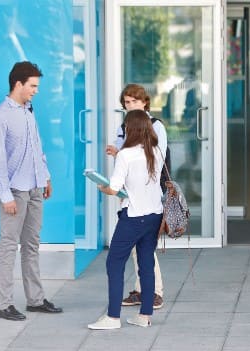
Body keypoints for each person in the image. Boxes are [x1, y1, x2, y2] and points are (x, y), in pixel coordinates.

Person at [0, 61, 63, 321]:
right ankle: (3, 304)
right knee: (9, 246)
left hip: (34, 187)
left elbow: (36, 148)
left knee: (31, 245)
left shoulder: (29, 111)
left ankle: (36, 299)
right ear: (18, 84)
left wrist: (46, 177)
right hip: (14, 192)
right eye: (33, 86)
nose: (36, 90)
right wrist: (6, 197)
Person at [88, 110, 164, 330]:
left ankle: (112, 317)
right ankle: (144, 316)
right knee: (146, 263)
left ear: (130, 129)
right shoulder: (156, 150)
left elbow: (114, 188)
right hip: (154, 214)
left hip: (134, 216)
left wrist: (101, 186)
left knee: (114, 262)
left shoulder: (126, 154)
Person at [106, 84, 167, 310]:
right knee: (138, 249)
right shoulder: (125, 126)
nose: (130, 106)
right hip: (129, 192)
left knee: (142, 249)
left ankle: (154, 293)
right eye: (127, 103)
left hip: (146, 194)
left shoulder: (156, 126)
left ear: (144, 102)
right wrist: (118, 152)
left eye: (134, 102)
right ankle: (144, 293)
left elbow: (152, 158)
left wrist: (122, 153)